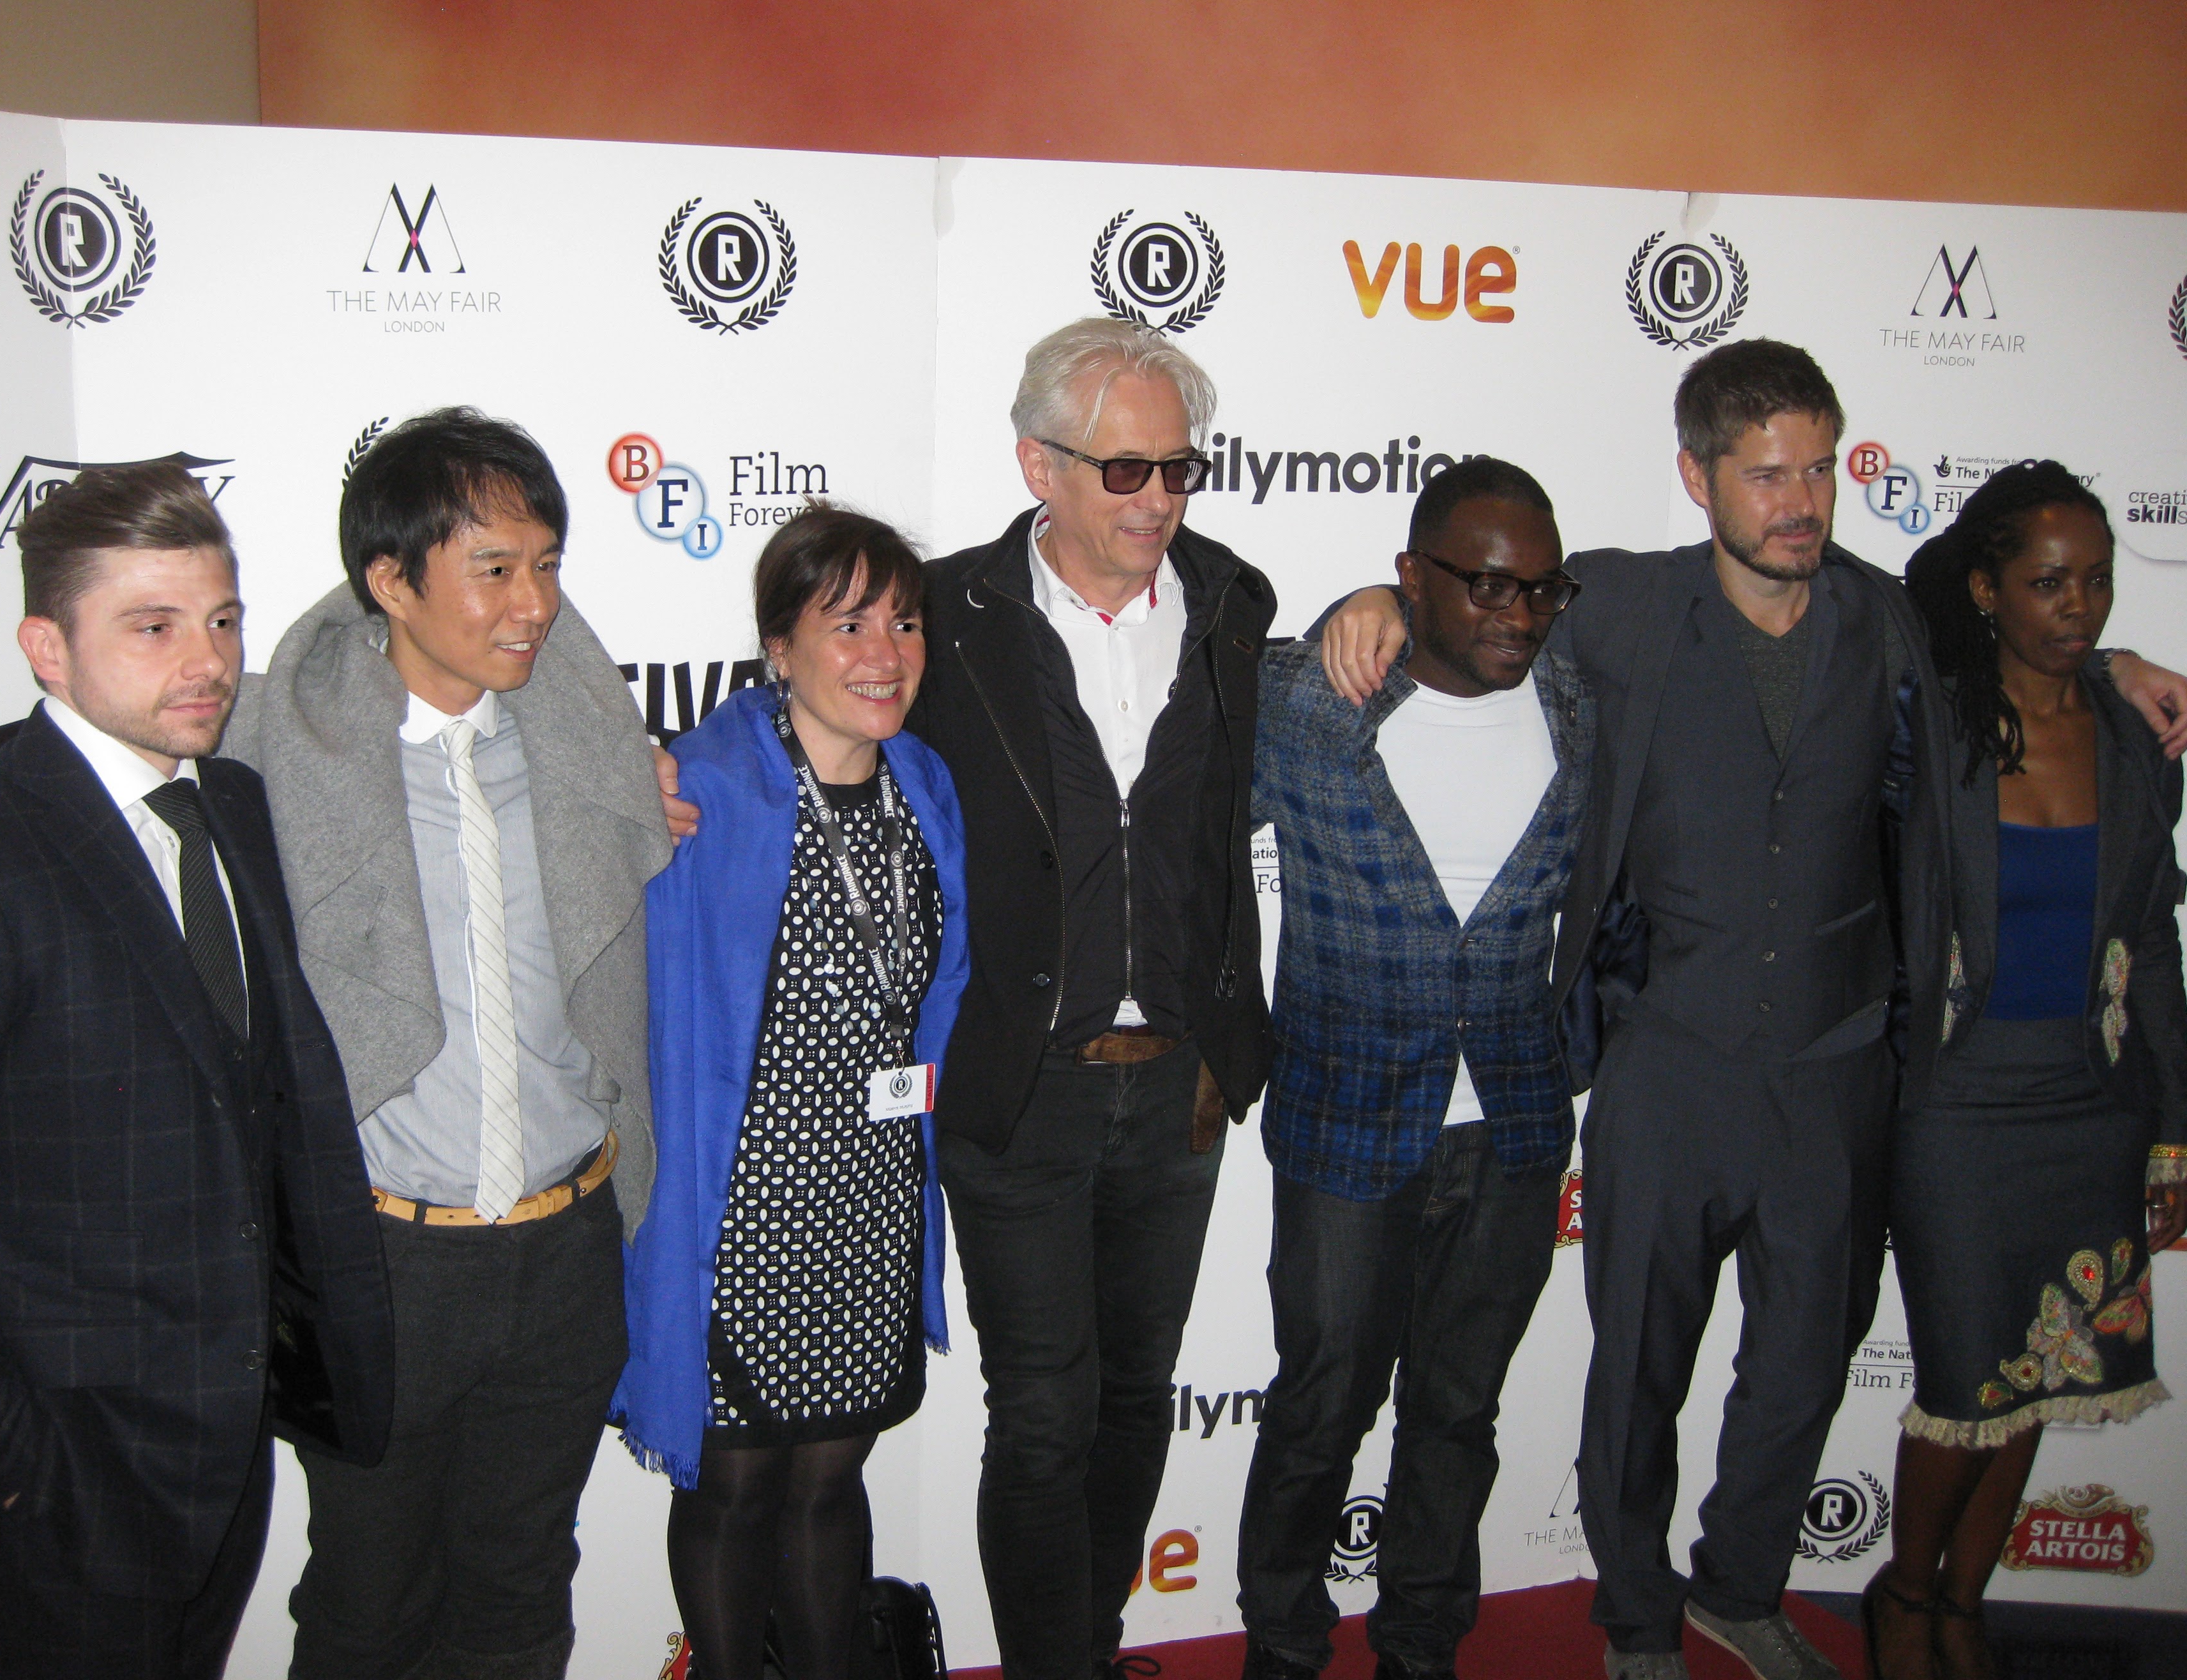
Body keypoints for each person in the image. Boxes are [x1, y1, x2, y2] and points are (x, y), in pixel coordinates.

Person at [1316, 341, 2187, 1680]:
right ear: (1697, 476)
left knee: (1800, 1369)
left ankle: (1740, 1585)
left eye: (1821, 468)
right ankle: (1634, 1614)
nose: (1800, 500)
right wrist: (1376, 594)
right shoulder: (1614, 606)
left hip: (1839, 1066)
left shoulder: (1889, 618)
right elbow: (1474, 609)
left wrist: (2119, 657)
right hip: (1669, 1058)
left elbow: (2026, 646)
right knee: (1640, 1368)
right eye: (1766, 472)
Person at [0, 463, 393, 1679]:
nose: (205, 659)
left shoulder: (234, 808)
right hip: (69, 1473)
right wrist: (18, 1475)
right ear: (48, 648)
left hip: (229, 1437)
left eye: (221, 619)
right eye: (152, 627)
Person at [220, 408, 676, 1680]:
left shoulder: (587, 748)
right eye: (494, 568)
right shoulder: (271, 760)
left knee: (525, 1587)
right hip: (380, 1264)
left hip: (566, 1252)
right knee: (367, 1602)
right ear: (390, 580)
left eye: (546, 564)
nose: (532, 603)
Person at [901, 317, 1275, 1680]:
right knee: (1044, 1414)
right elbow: (819, 712)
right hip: (1019, 1085)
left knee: (1134, 1402)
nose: (1160, 502)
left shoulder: (1235, 604)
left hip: (1180, 1084)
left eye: (1180, 470)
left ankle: (1089, 1641)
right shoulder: (943, 616)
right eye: (1127, 472)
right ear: (1038, 465)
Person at [1238, 459, 1593, 1680]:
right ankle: (1283, 1645)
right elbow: (1153, 808)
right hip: (1344, 1123)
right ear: (1411, 575)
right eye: (1490, 584)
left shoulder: (1583, 699)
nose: (1520, 615)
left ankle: (1423, 1645)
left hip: (1512, 1131)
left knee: (1458, 1415)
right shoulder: (1305, 703)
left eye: (1543, 590)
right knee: (1318, 1409)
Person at [617, 502, 970, 1680]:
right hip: (740, 1212)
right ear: (779, 645)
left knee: (833, 1476)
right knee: (734, 1485)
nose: (886, 653)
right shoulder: (697, 790)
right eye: (851, 622)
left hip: (869, 1203)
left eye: (906, 623)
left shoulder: (925, 788)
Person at [1863, 463, 2186, 1680]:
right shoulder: (1933, 720)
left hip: (2091, 1103)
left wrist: (2174, 1127)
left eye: (2098, 583)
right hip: (1955, 1103)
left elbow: (2150, 936)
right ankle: (1903, 1595)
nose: (2080, 608)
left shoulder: (2136, 739)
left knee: (2049, 1377)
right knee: (1966, 1382)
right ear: (1989, 590)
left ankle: (1966, 1602)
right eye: (2048, 583)